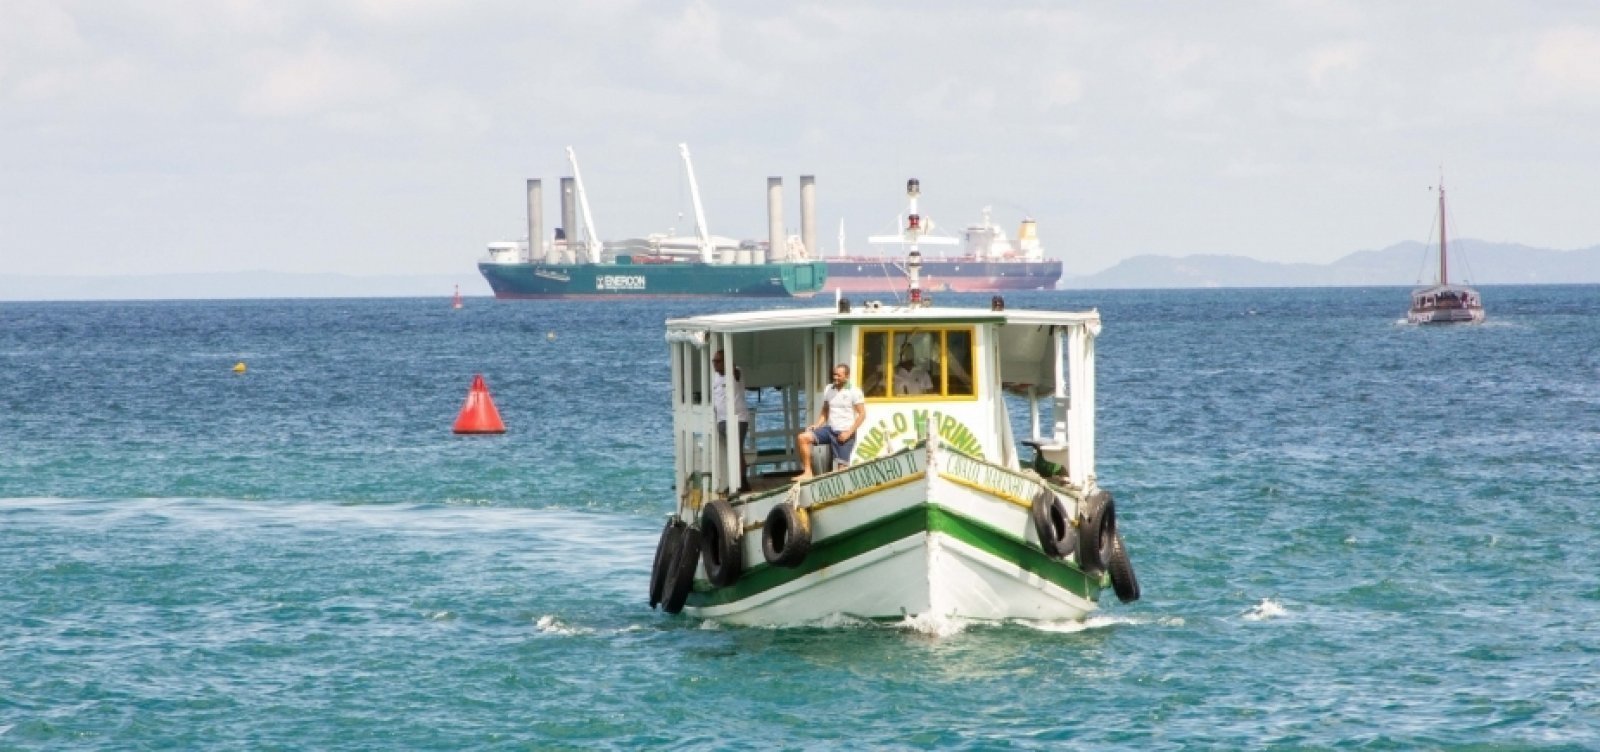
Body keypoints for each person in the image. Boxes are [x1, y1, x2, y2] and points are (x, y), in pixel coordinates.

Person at [796, 363, 866, 479]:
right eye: (834, 375)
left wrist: (848, 433)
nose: (835, 378)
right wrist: (817, 425)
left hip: (845, 432)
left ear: (847, 376)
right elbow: (825, 410)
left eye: (839, 375)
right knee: (802, 438)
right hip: (830, 429)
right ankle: (808, 472)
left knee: (841, 470)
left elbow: (862, 414)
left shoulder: (854, 391)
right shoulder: (829, 389)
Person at [711, 350, 752, 493]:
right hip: (722, 419)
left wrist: (730, 365)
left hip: (738, 419)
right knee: (732, 451)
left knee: (737, 451)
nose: (715, 364)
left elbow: (736, 372)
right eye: (713, 361)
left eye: (718, 361)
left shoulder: (736, 373)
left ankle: (741, 482)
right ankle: (737, 480)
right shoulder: (715, 377)